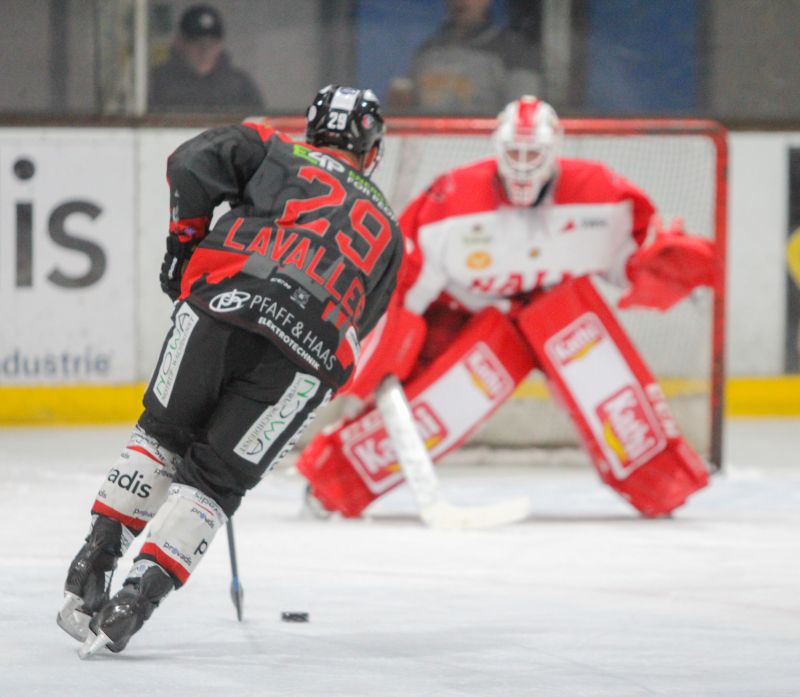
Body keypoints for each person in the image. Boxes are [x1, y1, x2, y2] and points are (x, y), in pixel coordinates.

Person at [57, 85, 404, 658]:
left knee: (163, 436)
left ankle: (95, 558)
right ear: (372, 151)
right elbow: (362, 327)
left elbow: (190, 162)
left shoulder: (274, 148)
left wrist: (182, 247)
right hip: (305, 357)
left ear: (312, 129)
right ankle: (137, 600)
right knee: (216, 481)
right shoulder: (390, 232)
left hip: (224, 303)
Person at [297, 95, 716, 521]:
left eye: (532, 154)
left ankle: (662, 484)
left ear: (555, 153)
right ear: (497, 150)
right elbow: (406, 288)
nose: (522, 165)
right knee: (436, 406)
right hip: (473, 320)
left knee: (613, 395)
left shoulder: (600, 195)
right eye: (514, 153)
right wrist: (389, 349)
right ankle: (333, 483)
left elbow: (625, 266)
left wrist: (654, 267)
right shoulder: (452, 200)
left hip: (561, 314)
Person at [387, 0, 541, 114]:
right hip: (427, 145)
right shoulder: (428, 49)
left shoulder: (514, 52)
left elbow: (523, 112)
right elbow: (402, 103)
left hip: (484, 146)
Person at [149, 3, 265, 115]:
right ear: (180, 42)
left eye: (212, 42)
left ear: (221, 44)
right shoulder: (158, 83)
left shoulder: (240, 85)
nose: (204, 49)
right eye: (195, 41)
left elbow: (256, 126)